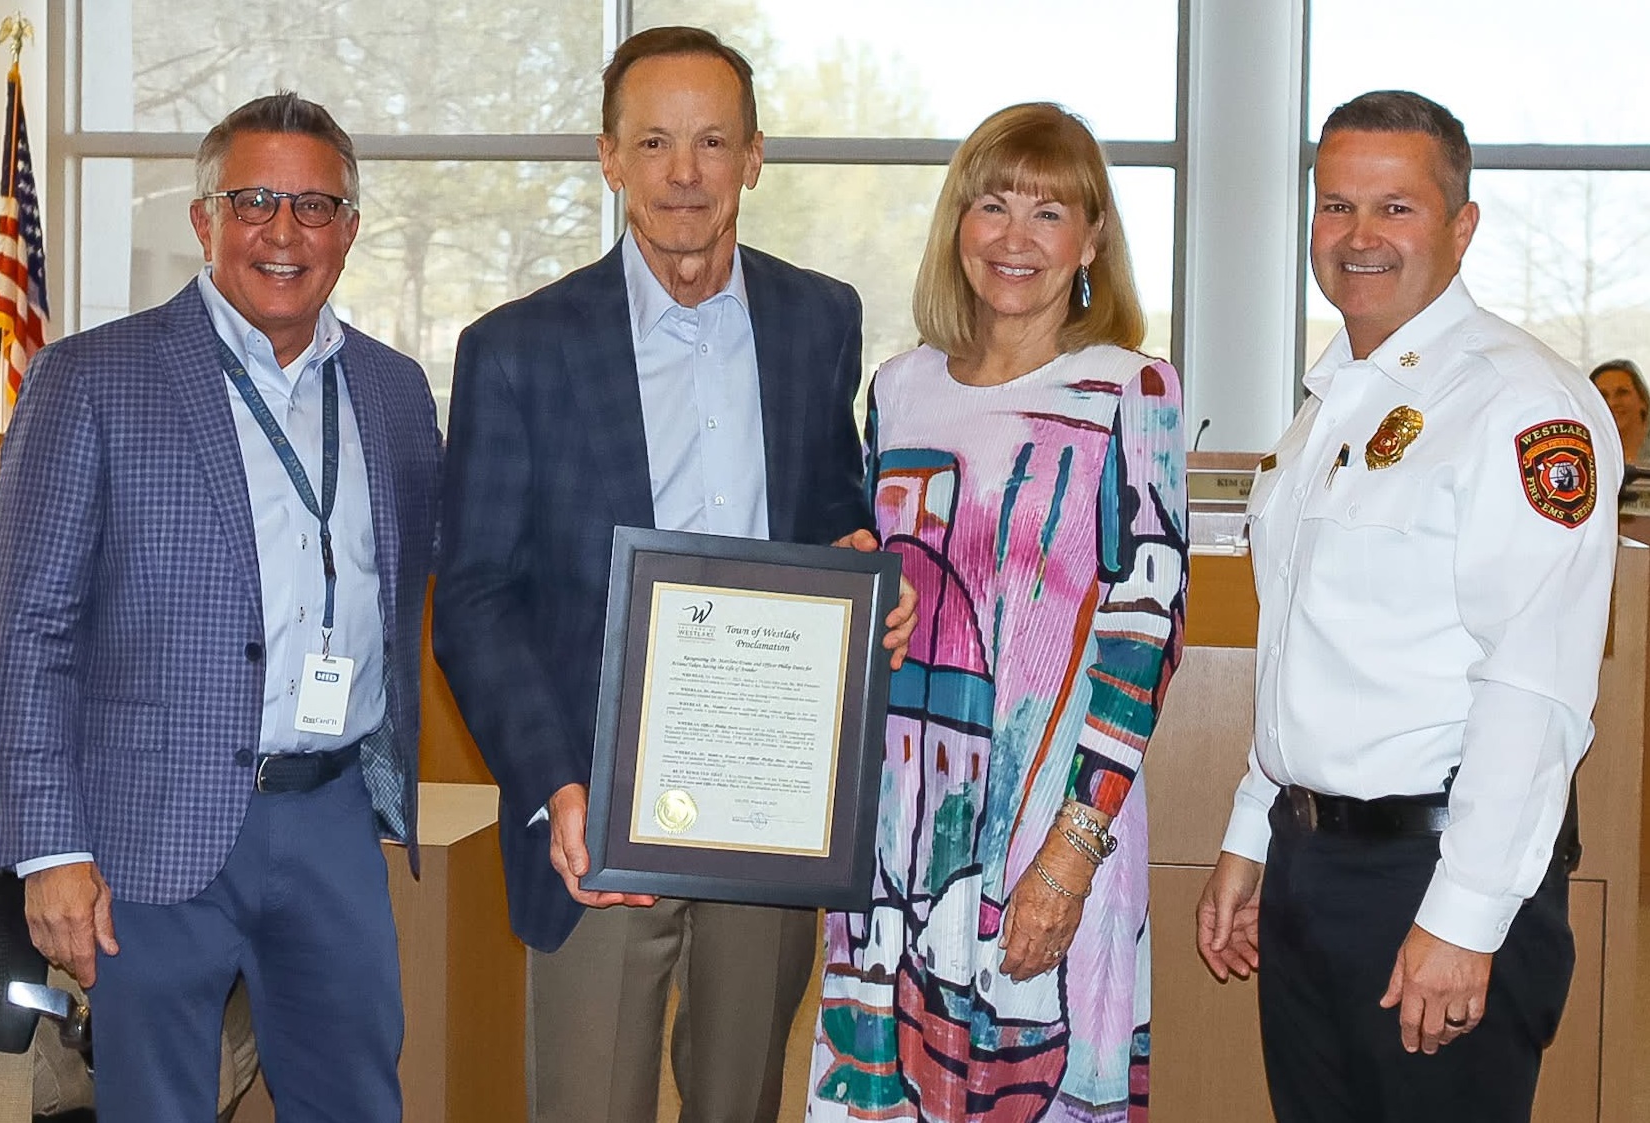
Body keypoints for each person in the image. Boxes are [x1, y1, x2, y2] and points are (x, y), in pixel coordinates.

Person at [432, 26, 915, 1123]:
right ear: (609, 158)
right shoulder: (517, 349)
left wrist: (858, 569)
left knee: (740, 1101)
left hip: (769, 805)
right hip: (596, 822)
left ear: (755, 156)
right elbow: (473, 596)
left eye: (711, 141)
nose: (683, 174)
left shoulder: (818, 320)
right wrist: (559, 787)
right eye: (654, 142)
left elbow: (830, 501)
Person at [0, 91, 442, 1122]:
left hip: (332, 817)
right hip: (148, 828)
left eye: (316, 206)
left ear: (351, 231)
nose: (285, 232)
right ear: (205, 219)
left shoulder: (395, 393)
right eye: (255, 200)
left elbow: (438, 575)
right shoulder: (89, 380)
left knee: (355, 1099)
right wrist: (52, 850)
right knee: (157, 1105)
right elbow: (27, 632)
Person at [1195, 90, 1620, 1123]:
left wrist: (1467, 919)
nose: (1357, 236)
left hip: (1431, 877)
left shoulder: (1520, 406)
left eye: (1395, 208)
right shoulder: (1334, 405)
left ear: (1462, 225)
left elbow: (1535, 686)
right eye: (1335, 206)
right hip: (1311, 872)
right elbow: (1302, 647)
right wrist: (1255, 834)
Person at [806, 102, 1187, 1123]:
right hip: (896, 829)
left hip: (1054, 828)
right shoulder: (899, 387)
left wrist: (1070, 851)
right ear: (957, 223)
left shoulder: (1129, 390)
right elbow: (897, 583)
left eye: (1050, 211)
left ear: (1092, 240)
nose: (1015, 237)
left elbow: (1150, 630)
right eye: (992, 204)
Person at [1588, 358, 1649, 465]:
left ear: (1643, 400)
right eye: (1603, 395)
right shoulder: (1585, 458)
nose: (1612, 403)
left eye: (1622, 392)